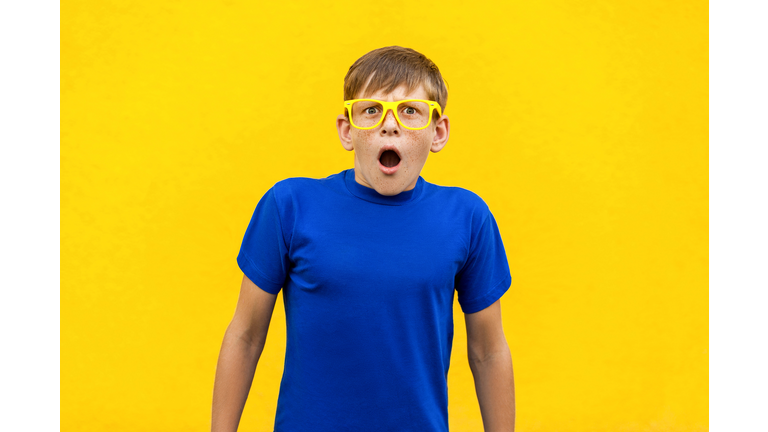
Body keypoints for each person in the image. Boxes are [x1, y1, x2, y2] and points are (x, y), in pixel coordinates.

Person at [212, 45, 515, 432]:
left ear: (438, 132)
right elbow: (245, 334)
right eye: (372, 110)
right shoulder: (289, 205)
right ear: (347, 130)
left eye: (410, 111)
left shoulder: (468, 217)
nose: (390, 125)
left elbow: (488, 352)